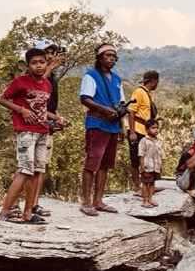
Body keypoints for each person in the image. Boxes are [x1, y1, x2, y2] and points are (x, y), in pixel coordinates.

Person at [0, 49, 63, 224]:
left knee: (36, 171)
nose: (38, 66)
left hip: (42, 131)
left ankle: (28, 212)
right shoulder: (20, 82)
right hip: (26, 131)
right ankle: (5, 211)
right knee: (24, 171)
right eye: (34, 63)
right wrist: (21, 110)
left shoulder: (47, 85)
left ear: (46, 63)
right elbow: (2, 99)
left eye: (41, 62)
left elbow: (42, 109)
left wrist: (55, 120)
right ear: (28, 65)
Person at [79, 42, 124, 216]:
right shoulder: (91, 75)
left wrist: (121, 126)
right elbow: (85, 99)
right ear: (100, 58)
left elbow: (121, 104)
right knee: (92, 162)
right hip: (97, 123)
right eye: (108, 56)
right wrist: (105, 109)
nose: (111, 59)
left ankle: (98, 200)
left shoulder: (117, 79)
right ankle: (86, 201)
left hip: (112, 125)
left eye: (114, 56)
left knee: (105, 164)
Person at [30, 39, 69, 214]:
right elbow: (33, 93)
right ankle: (19, 204)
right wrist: (50, 68)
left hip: (46, 126)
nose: (51, 56)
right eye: (47, 52)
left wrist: (56, 119)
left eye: (53, 52)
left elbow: (48, 104)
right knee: (26, 167)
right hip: (31, 127)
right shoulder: (32, 75)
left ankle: (34, 203)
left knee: (41, 167)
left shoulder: (52, 78)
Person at [126, 70, 160, 195]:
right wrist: (132, 133)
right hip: (137, 130)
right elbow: (131, 112)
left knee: (149, 159)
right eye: (157, 82)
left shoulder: (149, 94)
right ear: (153, 81)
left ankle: (148, 185)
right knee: (136, 159)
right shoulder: (138, 92)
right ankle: (137, 187)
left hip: (146, 131)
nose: (157, 84)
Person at [138, 119, 164, 208]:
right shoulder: (144, 141)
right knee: (145, 183)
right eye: (153, 128)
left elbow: (161, 154)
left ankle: (150, 198)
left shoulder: (158, 141)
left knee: (152, 182)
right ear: (147, 130)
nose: (156, 130)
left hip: (156, 166)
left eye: (157, 128)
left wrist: (161, 165)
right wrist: (142, 165)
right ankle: (144, 201)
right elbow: (141, 154)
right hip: (147, 166)